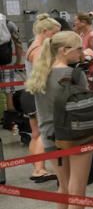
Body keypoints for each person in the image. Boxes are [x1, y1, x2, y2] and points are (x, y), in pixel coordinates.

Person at [26, 31, 93, 209]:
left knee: (63, 186)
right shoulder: (74, 74)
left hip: (50, 137)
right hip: (76, 135)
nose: (82, 52)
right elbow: (85, 105)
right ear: (64, 50)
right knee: (78, 187)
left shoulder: (40, 75)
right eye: (78, 49)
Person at [24, 15, 62, 182]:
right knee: (43, 133)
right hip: (38, 94)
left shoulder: (33, 46)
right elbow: (45, 72)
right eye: (54, 34)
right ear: (45, 31)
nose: (55, 38)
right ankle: (39, 168)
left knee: (36, 133)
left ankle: (37, 167)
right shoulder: (39, 49)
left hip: (30, 93)